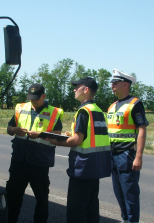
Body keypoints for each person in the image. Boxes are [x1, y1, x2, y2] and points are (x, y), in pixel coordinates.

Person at [47, 77, 111, 223]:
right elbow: (91, 135)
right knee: (91, 207)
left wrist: (57, 141)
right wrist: (72, 134)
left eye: (77, 87)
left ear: (86, 90)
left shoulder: (84, 111)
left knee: (76, 210)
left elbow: (77, 140)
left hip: (83, 167)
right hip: (96, 167)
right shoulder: (98, 110)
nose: (74, 89)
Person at [6, 83, 63, 223]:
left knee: (41, 198)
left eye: (36, 99)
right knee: (13, 196)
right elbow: (9, 128)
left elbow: (57, 134)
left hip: (39, 162)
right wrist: (15, 130)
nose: (32, 101)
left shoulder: (54, 112)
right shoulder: (21, 108)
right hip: (19, 160)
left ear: (43, 96)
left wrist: (40, 135)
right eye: (30, 98)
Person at [107, 69, 149, 223]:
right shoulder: (112, 106)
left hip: (126, 155)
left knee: (130, 194)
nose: (112, 85)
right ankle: (125, 219)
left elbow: (142, 129)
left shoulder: (135, 104)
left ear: (125, 84)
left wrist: (138, 157)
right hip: (112, 156)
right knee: (118, 193)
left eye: (115, 83)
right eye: (112, 83)